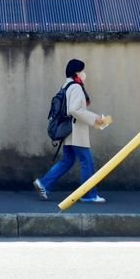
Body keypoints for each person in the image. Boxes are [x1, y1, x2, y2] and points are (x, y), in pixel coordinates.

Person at [34, 59, 107, 204]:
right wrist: (95, 118)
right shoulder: (76, 87)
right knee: (87, 161)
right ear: (76, 72)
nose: (84, 73)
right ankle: (89, 195)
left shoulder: (66, 85)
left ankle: (43, 183)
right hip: (76, 132)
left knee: (68, 161)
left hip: (68, 132)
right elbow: (74, 109)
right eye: (82, 70)